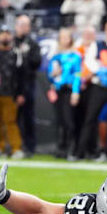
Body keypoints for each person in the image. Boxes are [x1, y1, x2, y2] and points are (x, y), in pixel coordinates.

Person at [75, 20, 107, 161]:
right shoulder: (97, 45)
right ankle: (81, 152)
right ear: (105, 30)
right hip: (98, 85)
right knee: (90, 118)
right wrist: (100, 71)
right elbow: (89, 61)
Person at [47, 28, 82, 159]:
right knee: (60, 120)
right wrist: (53, 75)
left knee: (69, 121)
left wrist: (75, 92)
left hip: (68, 90)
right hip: (58, 90)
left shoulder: (75, 56)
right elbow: (50, 76)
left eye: (66, 37)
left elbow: (78, 75)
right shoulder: (56, 57)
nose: (64, 39)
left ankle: (71, 149)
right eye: (62, 37)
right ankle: (60, 149)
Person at [0, 26, 23, 159]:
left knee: (10, 121)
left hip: (10, 92)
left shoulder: (16, 53)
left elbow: (21, 74)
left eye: (7, 34)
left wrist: (20, 93)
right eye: (2, 34)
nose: (4, 37)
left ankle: (16, 148)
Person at [14, 15, 41, 158]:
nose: (23, 28)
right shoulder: (11, 42)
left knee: (28, 117)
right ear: (16, 25)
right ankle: (14, 146)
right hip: (12, 86)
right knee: (12, 118)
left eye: (26, 25)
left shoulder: (32, 44)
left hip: (27, 84)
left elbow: (37, 63)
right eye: (21, 24)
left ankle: (30, 146)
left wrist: (26, 55)